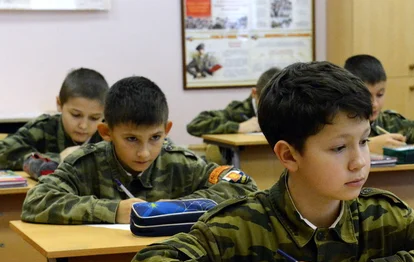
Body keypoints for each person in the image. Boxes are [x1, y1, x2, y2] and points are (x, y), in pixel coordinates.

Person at [116, 61, 414, 262]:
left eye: (364, 141)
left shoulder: (381, 215)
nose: (359, 161)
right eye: (339, 148)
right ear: (288, 156)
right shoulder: (241, 224)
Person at [21, 76, 258, 224]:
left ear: (167, 130)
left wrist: (178, 207)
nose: (144, 152)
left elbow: (244, 186)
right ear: (106, 133)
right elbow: (35, 202)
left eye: (155, 137)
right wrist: (112, 211)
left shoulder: (178, 162)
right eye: (131, 139)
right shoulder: (85, 164)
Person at [344, 54, 414, 153]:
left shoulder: (390, 122)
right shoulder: (340, 124)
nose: (374, 104)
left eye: (380, 95)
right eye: (366, 96)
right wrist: (368, 146)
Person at [0, 68, 108, 170]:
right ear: (59, 104)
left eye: (94, 118)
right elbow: (3, 152)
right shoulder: (43, 128)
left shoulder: (109, 134)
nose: (83, 125)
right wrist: (58, 159)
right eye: (76, 115)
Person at [186, 67, 281, 136]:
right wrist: (238, 127)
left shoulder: (289, 106)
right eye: (265, 103)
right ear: (254, 93)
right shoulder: (238, 111)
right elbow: (195, 125)